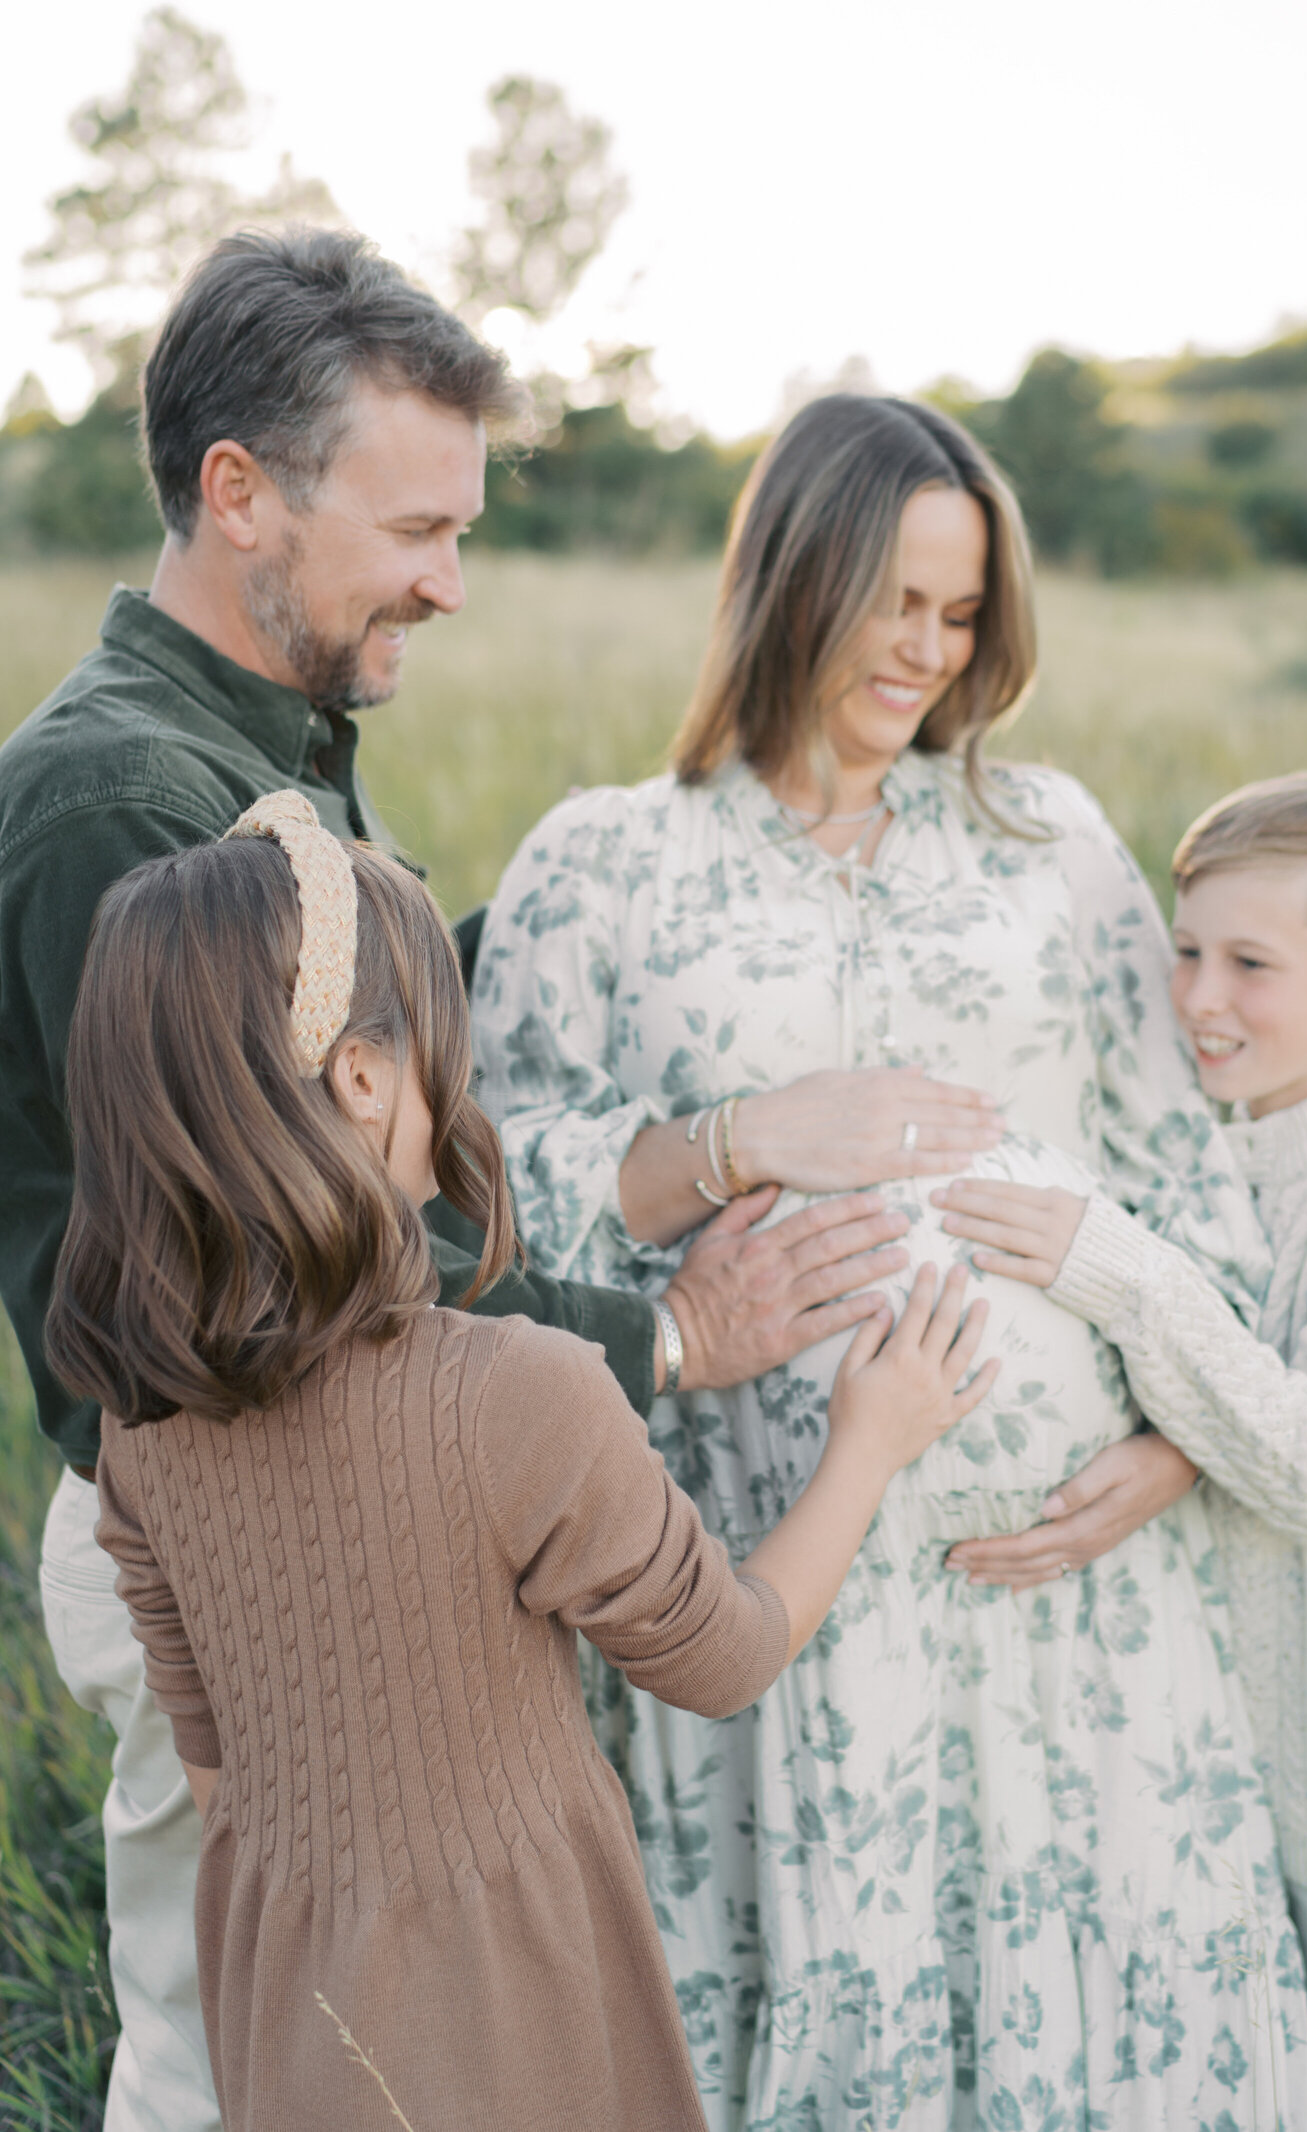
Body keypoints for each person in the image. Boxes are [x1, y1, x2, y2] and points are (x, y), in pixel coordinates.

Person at [0, 228, 909, 2132]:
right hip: (244, 1527)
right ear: (239, 494)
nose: (453, 580)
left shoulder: (263, 752)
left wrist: (604, 892)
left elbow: (355, 1044)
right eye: (419, 527)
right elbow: (305, 1233)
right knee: (228, 2051)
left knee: (381, 2042)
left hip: (333, 1508)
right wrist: (660, 1336)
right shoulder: (126, 805)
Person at [472, 393, 1307, 2127]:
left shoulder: (1052, 848)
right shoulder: (611, 863)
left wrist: (1167, 1456)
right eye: (897, 603)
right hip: (780, 1589)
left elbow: (1190, 1194)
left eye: (960, 614)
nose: (929, 651)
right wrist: (735, 1140)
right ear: (795, 577)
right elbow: (490, 1208)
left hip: (1071, 1598)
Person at [44, 794, 994, 2132]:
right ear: (365, 1079)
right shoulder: (518, 1393)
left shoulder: (139, 1434)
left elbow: (219, 1778)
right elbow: (726, 1656)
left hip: (286, 2015)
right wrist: (870, 1440)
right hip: (518, 2015)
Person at [935, 771, 1307, 2132]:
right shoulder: (1209, 1143)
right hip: (1225, 1756)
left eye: (1252, 965)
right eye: (1187, 950)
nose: (1201, 998)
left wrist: (1127, 1273)